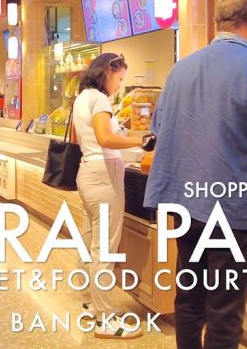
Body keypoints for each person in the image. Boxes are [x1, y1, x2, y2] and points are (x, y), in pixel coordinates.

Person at [144, 0, 247, 349]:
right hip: (233, 208)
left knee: (189, 299)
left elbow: (159, 130)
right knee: (225, 312)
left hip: (185, 205)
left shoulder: (180, 70)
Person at [71, 53, 145, 340]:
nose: (119, 85)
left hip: (87, 173)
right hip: (104, 177)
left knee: (93, 243)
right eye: (119, 78)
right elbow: (106, 139)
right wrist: (143, 140)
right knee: (105, 249)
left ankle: (94, 303)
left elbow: (80, 139)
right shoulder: (100, 99)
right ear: (108, 71)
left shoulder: (81, 97)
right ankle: (105, 320)